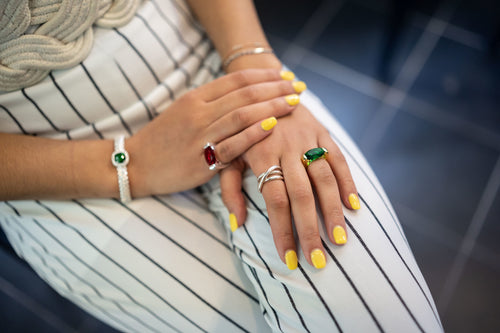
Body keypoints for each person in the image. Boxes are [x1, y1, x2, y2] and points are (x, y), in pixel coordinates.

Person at [0, 0, 443, 332]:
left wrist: (257, 70)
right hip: (56, 162)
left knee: (381, 319)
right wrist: (132, 162)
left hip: (218, 59)